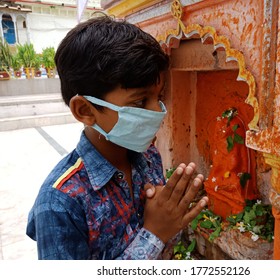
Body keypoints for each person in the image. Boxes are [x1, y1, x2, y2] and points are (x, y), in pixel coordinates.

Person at [26, 15, 208, 260]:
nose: (158, 112)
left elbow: (166, 236)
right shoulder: (60, 203)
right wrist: (153, 234)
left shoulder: (148, 156)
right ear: (85, 110)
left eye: (159, 97)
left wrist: (171, 216)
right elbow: (158, 234)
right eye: (140, 101)